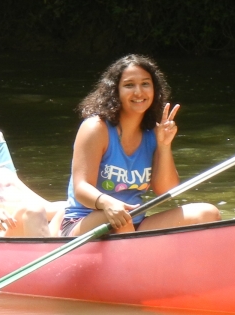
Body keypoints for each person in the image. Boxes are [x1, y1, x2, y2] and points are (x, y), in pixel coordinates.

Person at [61, 54, 220, 236]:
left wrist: (163, 145)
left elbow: (165, 191)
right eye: (129, 85)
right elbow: (81, 188)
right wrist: (108, 203)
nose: (139, 92)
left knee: (207, 213)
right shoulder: (96, 128)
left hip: (134, 223)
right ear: (115, 91)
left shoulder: (153, 132)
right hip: (84, 223)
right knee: (122, 220)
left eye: (145, 84)